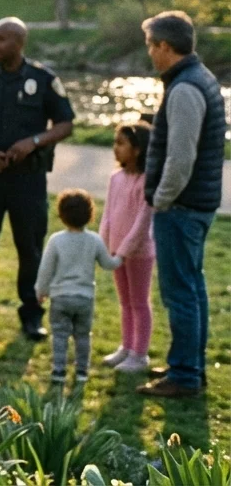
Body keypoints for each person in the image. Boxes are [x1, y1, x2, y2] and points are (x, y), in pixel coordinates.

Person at [0, 17, 75, 341]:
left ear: (19, 43)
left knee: (30, 248)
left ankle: (32, 316)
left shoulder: (43, 79)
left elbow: (65, 123)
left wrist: (32, 142)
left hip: (28, 179)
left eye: (2, 40)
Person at [137, 11, 226, 398]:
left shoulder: (186, 88)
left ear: (165, 47)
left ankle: (186, 375)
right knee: (193, 288)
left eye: (151, 46)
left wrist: (161, 199)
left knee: (180, 292)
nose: (150, 54)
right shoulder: (197, 77)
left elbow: (181, 158)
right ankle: (188, 363)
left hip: (182, 207)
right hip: (195, 204)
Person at [36, 189, 121, 385]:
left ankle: (59, 370)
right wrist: (120, 257)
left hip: (60, 297)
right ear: (90, 214)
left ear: (61, 214)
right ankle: (82, 371)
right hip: (84, 298)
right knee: (83, 335)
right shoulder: (94, 240)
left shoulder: (56, 240)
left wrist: (41, 291)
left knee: (59, 334)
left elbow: (45, 269)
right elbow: (108, 264)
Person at [100, 121, 155, 374]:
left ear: (138, 149)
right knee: (125, 302)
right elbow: (108, 216)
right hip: (115, 253)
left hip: (138, 252)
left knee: (139, 302)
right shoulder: (115, 178)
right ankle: (126, 346)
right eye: (115, 142)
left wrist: (123, 252)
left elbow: (142, 223)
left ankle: (139, 354)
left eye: (121, 143)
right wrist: (103, 247)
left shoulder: (147, 182)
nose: (116, 148)